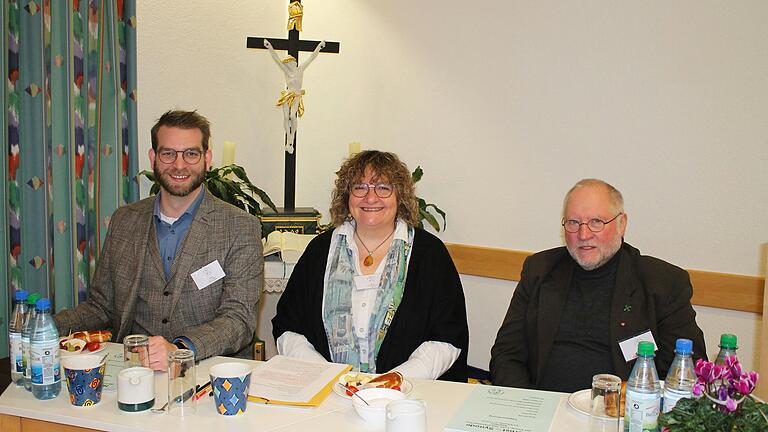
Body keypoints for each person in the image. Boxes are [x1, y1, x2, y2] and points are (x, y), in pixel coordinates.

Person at [55, 110, 262, 370]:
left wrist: (181, 350)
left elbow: (238, 319)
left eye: (191, 153)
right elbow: (101, 306)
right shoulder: (124, 221)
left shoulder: (240, 228)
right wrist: (50, 327)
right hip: (130, 370)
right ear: (153, 158)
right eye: (168, 153)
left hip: (208, 374)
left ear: (207, 159)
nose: (179, 164)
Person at [490, 179, 706, 392]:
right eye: (573, 223)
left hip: (622, 415)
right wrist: (526, 406)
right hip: (545, 409)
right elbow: (507, 354)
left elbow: (686, 372)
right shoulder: (540, 270)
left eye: (596, 222)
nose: (583, 235)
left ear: (622, 224)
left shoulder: (663, 283)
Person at [272, 150, 468, 381]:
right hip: (327, 393)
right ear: (347, 195)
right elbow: (288, 326)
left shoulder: (430, 255)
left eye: (383, 187)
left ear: (400, 196)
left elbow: (447, 336)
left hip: (408, 396)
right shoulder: (320, 251)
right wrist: (326, 376)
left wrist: (391, 382)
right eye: (360, 187)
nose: (370, 197)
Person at [263, 38, 326, 154]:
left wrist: (319, 47)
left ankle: (291, 138)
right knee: (286, 118)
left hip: (296, 95)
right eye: (286, 64)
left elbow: (311, 57)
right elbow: (276, 59)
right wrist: (269, 47)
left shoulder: (300, 69)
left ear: (293, 62)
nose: (287, 65)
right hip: (287, 96)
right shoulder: (286, 71)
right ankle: (289, 141)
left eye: (289, 63)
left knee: (292, 116)